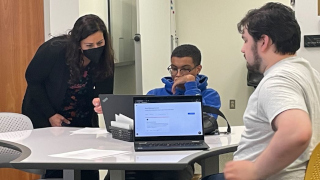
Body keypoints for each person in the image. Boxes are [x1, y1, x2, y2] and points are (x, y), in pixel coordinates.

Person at [202, 2, 320, 180]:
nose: (243, 49)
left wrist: (255, 171)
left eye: (245, 40)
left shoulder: (277, 81)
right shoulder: (309, 73)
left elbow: (297, 132)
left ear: (263, 42)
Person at [93, 44, 221, 180]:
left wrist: (190, 84)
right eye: (174, 68)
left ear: (198, 69)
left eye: (185, 69)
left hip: (180, 159)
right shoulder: (154, 94)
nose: (177, 74)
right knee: (116, 173)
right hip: (145, 156)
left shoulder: (210, 95)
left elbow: (198, 124)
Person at [22, 14, 114, 180]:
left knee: (88, 167)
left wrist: (101, 102)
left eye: (100, 43)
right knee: (56, 168)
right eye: (89, 45)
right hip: (48, 114)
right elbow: (33, 80)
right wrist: (50, 114)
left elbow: (105, 91)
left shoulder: (105, 58)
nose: (96, 48)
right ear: (78, 44)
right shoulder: (54, 50)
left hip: (82, 119)